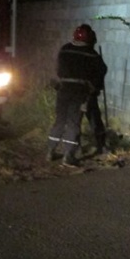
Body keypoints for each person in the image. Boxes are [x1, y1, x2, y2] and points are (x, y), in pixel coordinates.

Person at [47, 24, 108, 167]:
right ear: (90, 38)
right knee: (74, 123)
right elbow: (101, 71)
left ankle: (50, 151)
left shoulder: (65, 49)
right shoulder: (92, 55)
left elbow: (58, 70)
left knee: (60, 120)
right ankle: (68, 155)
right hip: (80, 93)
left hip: (63, 90)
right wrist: (95, 88)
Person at [81, 25, 108, 154]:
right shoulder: (91, 54)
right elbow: (102, 69)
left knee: (77, 121)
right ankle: (100, 145)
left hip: (79, 92)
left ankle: (74, 147)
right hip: (87, 92)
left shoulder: (74, 52)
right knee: (94, 119)